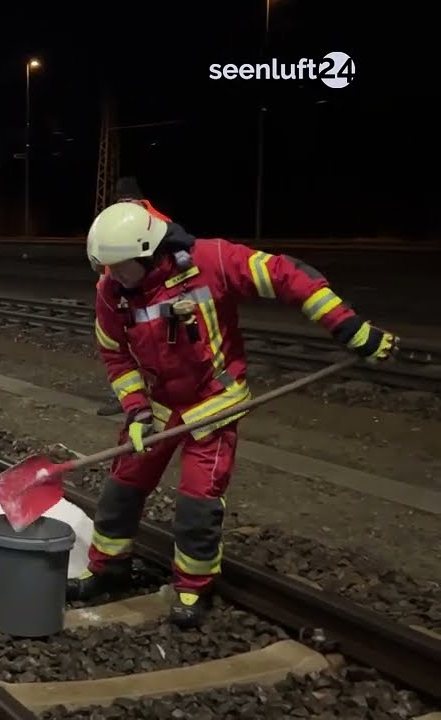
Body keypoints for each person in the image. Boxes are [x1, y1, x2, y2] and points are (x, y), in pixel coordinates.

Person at [72, 202, 398, 628]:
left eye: (122, 268)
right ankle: (108, 569)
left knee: (197, 503)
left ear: (150, 251)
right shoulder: (111, 293)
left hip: (214, 403)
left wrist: (347, 326)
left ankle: (192, 590)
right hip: (157, 405)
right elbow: (116, 356)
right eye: (107, 269)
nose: (114, 277)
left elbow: (287, 275)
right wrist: (135, 411)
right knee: (122, 487)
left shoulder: (213, 261)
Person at [94, 177, 171, 417]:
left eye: (127, 199)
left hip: (152, 298)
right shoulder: (119, 220)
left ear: (139, 198)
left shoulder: (158, 222)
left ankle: (156, 399)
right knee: (120, 349)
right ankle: (132, 399)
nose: (124, 204)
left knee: (153, 347)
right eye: (121, 201)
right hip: (121, 295)